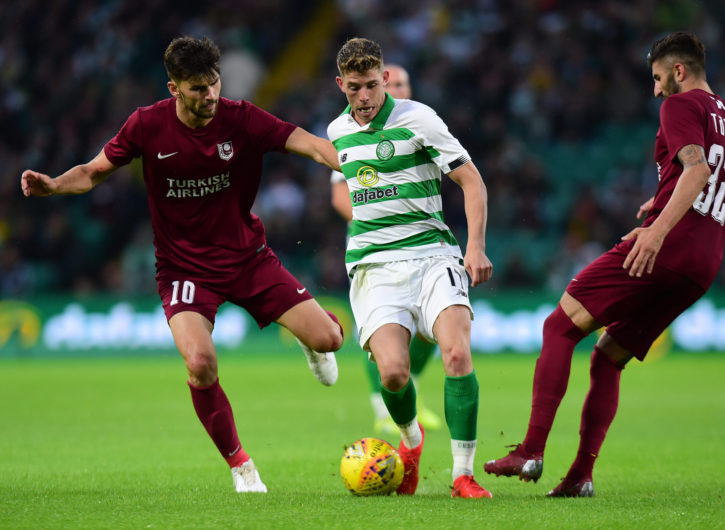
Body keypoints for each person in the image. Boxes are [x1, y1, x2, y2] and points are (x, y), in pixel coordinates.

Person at [21, 36, 345, 494]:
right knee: (200, 362)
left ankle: (310, 342)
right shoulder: (146, 125)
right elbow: (93, 171)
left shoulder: (242, 118)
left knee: (330, 337)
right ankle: (240, 464)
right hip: (184, 270)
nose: (209, 95)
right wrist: (53, 185)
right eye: (196, 88)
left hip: (248, 259)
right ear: (173, 88)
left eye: (213, 83)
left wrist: (349, 162)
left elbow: (309, 143)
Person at [484, 31, 725, 497]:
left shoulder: (679, 106)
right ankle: (580, 477)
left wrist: (656, 229)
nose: (655, 91)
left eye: (656, 78)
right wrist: (667, 200)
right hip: (704, 264)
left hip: (668, 248)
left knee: (558, 327)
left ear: (678, 71)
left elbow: (696, 171)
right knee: (609, 358)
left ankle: (530, 450)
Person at [328, 38, 494, 498]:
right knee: (394, 375)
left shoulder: (418, 118)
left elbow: (471, 180)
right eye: (354, 87)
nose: (365, 97)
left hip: (432, 255)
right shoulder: (337, 132)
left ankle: (463, 473)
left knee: (457, 355)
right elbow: (340, 191)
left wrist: (475, 247)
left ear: (385, 79)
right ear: (341, 85)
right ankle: (412, 445)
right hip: (375, 268)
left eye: (372, 85)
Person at [329, 63, 441, 436]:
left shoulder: (421, 123)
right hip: (373, 245)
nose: (401, 89)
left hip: (421, 243)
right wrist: (372, 215)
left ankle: (413, 392)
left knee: (430, 331)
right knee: (378, 330)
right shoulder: (351, 131)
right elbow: (340, 191)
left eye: (406, 82)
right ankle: (382, 407)